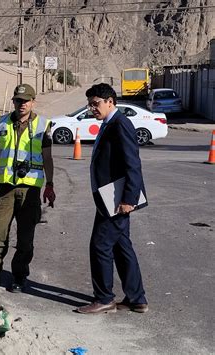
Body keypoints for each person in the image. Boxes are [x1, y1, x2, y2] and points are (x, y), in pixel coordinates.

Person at [0, 83, 55, 293]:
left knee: (26, 238)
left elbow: (47, 157)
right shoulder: (1, 123)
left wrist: (50, 185)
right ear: (13, 102)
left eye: (26, 100)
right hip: (6, 188)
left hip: (30, 190)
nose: (22, 104)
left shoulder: (43, 125)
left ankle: (19, 277)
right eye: (18, 100)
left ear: (33, 102)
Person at [76, 83, 148, 314]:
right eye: (90, 104)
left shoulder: (120, 124)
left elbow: (133, 164)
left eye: (96, 103)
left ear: (110, 102)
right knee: (121, 246)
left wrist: (129, 199)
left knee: (100, 245)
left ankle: (104, 298)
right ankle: (137, 299)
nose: (92, 108)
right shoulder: (110, 124)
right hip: (108, 198)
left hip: (117, 200)